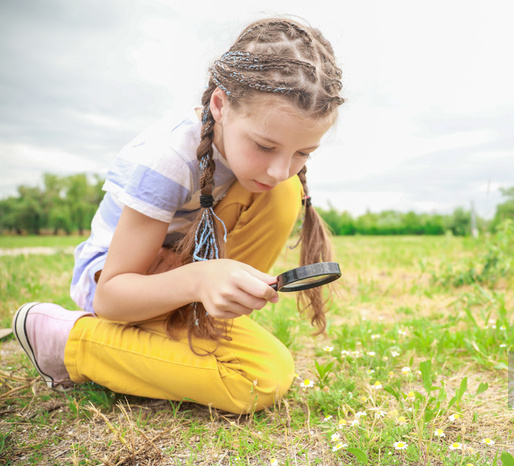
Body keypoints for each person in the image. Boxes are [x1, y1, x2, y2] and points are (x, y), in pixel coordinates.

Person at [12, 17, 344, 414]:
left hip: (183, 274)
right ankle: (69, 340)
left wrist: (213, 282)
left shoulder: (270, 175)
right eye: (264, 146)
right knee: (261, 379)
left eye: (303, 153)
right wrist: (200, 278)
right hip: (125, 286)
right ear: (220, 106)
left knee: (284, 193)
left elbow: (277, 177)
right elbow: (111, 296)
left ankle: (202, 321)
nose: (279, 168)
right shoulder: (168, 158)